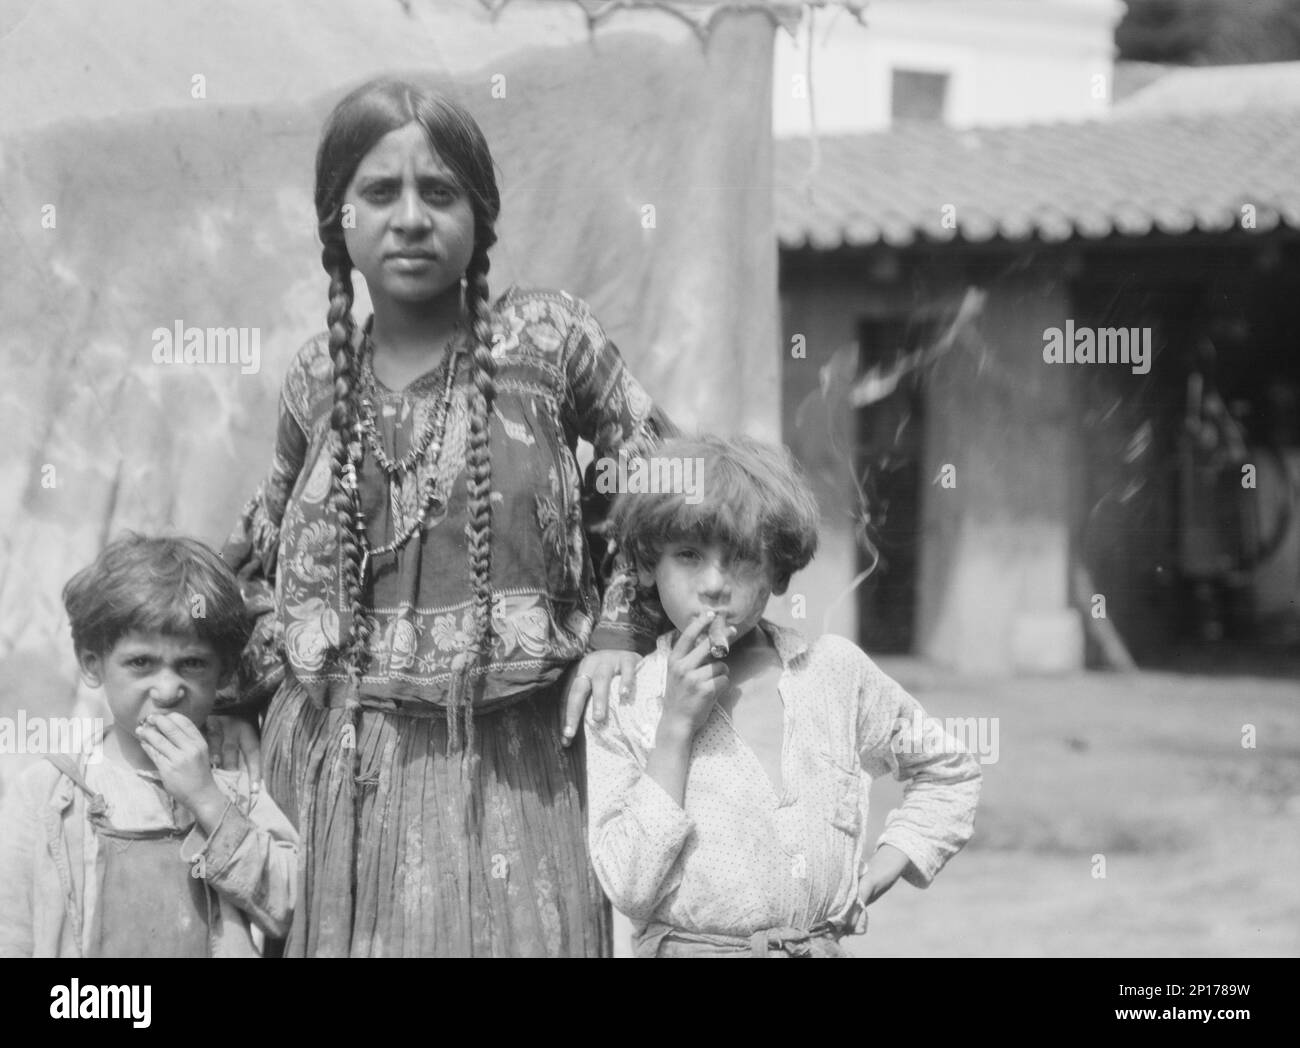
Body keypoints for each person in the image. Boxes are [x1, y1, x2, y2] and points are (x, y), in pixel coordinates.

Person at [215, 78, 669, 957]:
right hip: (334, 775)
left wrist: (620, 631)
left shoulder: (547, 337)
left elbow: (668, 486)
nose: (412, 218)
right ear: (336, 221)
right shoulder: (317, 379)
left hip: (514, 773)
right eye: (380, 193)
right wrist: (247, 687)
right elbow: (258, 550)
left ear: (482, 215)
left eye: (441, 192)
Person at [585, 434, 982, 957]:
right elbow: (629, 887)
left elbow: (948, 771)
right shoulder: (626, 698)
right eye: (687, 556)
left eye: (742, 558)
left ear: (777, 572)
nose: (713, 585)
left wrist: (887, 866)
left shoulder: (833, 673)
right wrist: (675, 728)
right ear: (646, 565)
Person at [0, 534, 298, 958]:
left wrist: (208, 801)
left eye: (191, 664)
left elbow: (288, 908)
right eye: (141, 663)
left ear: (224, 670)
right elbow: (11, 937)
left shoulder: (236, 779)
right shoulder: (47, 794)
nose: (167, 688)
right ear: (92, 664)